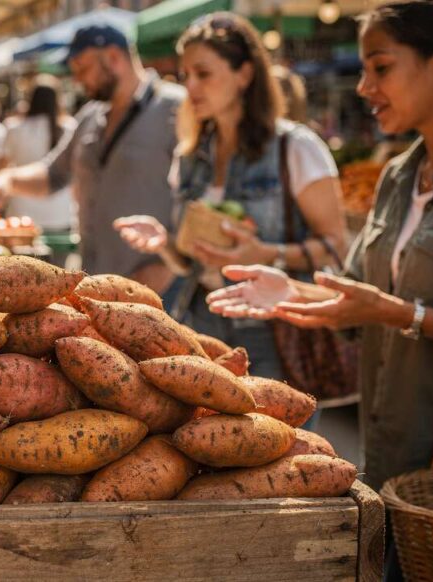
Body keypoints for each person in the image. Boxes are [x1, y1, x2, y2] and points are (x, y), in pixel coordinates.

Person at [202, 3, 433, 578]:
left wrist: (402, 313)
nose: (365, 87)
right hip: (392, 459)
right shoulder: (399, 176)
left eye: (381, 67)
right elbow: (361, 296)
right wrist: (291, 288)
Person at [113, 13, 346, 380]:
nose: (190, 86)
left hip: (275, 331)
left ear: (245, 74)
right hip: (201, 322)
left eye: (203, 73)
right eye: (185, 75)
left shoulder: (296, 148)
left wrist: (265, 254)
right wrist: (165, 244)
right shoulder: (190, 156)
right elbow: (191, 264)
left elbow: (336, 247)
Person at [0, 25, 185, 289]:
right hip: (96, 282)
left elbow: (200, 196)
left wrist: (167, 268)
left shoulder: (175, 108)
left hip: (158, 289)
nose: (77, 80)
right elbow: (53, 174)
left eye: (82, 68)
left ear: (113, 57)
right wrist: (8, 180)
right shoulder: (90, 116)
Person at [1, 75, 76, 233]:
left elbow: (4, 165)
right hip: (61, 213)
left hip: (21, 214)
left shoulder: (14, 128)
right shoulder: (70, 127)